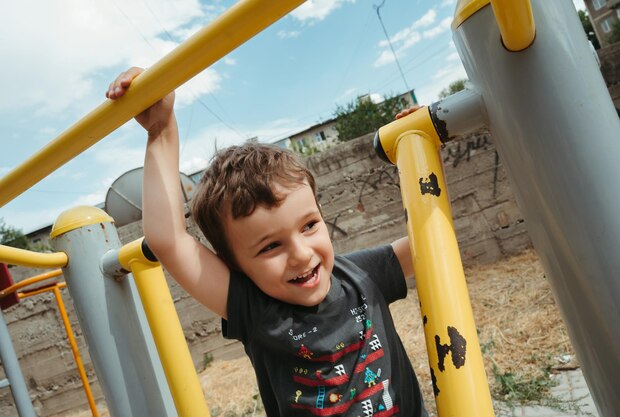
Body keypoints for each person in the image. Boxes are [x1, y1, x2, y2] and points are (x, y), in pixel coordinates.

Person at [106, 67, 429, 416]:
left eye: (308, 226)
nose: (301, 254)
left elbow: (431, 241)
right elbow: (168, 240)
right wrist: (161, 129)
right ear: (233, 265)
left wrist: (422, 150)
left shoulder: (362, 277)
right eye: (270, 246)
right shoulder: (255, 309)